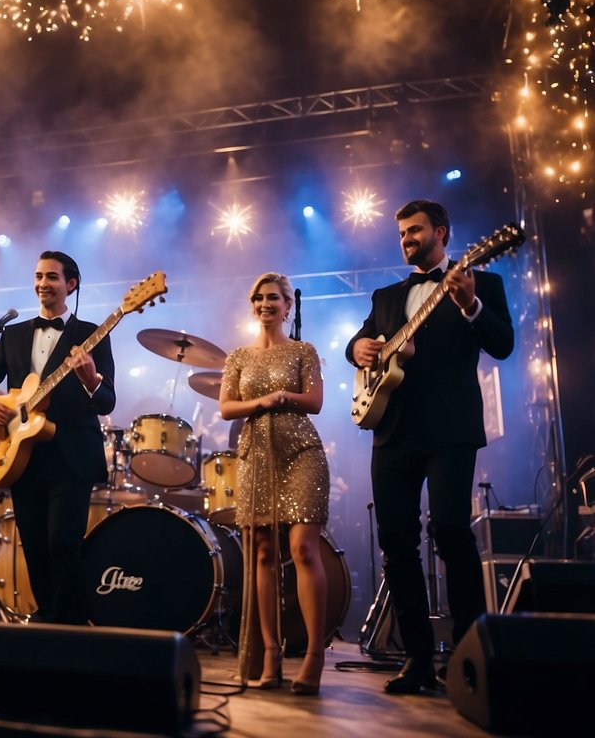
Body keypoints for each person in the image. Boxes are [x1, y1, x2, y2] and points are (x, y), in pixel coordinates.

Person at [347, 199, 514, 694]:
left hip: (449, 428)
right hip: (392, 430)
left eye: (415, 231)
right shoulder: (385, 296)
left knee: (450, 530)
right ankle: (417, 658)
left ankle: (467, 653)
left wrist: (470, 306)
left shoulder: (482, 283)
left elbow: (503, 344)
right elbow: (356, 345)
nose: (406, 240)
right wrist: (358, 348)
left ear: (442, 231)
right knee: (397, 543)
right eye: (401, 233)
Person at [0, 251, 115, 624]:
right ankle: (50, 623)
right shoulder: (14, 334)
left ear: (71, 284)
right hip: (21, 455)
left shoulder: (90, 334)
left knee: (62, 544)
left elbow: (107, 401)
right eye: (38, 276)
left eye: (51, 277)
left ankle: (70, 628)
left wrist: (90, 378)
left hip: (71, 456)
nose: (42, 284)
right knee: (33, 546)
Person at [219, 273, 330, 695]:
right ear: (254, 306)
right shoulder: (238, 357)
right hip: (256, 456)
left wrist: (282, 399)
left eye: (274, 298)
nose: (266, 304)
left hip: (301, 454)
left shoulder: (304, 350)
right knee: (262, 552)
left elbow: (315, 402)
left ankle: (315, 655)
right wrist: (263, 401)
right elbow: (227, 407)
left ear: (288, 306)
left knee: (303, 548)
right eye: (259, 298)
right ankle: (270, 653)